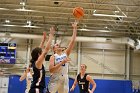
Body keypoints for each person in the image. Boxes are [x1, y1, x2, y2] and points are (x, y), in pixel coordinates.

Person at [46, 21, 78, 93]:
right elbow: (51, 70)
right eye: (56, 45)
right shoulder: (53, 57)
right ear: (54, 49)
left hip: (65, 77)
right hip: (55, 77)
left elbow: (72, 41)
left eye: (59, 45)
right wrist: (61, 62)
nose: (58, 45)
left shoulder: (65, 53)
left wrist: (75, 29)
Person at [29, 27, 55, 93]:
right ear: (38, 55)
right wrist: (51, 36)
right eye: (41, 52)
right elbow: (46, 49)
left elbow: (39, 49)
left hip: (34, 89)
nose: (42, 52)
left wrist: (43, 40)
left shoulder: (33, 63)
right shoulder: (38, 63)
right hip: (37, 90)